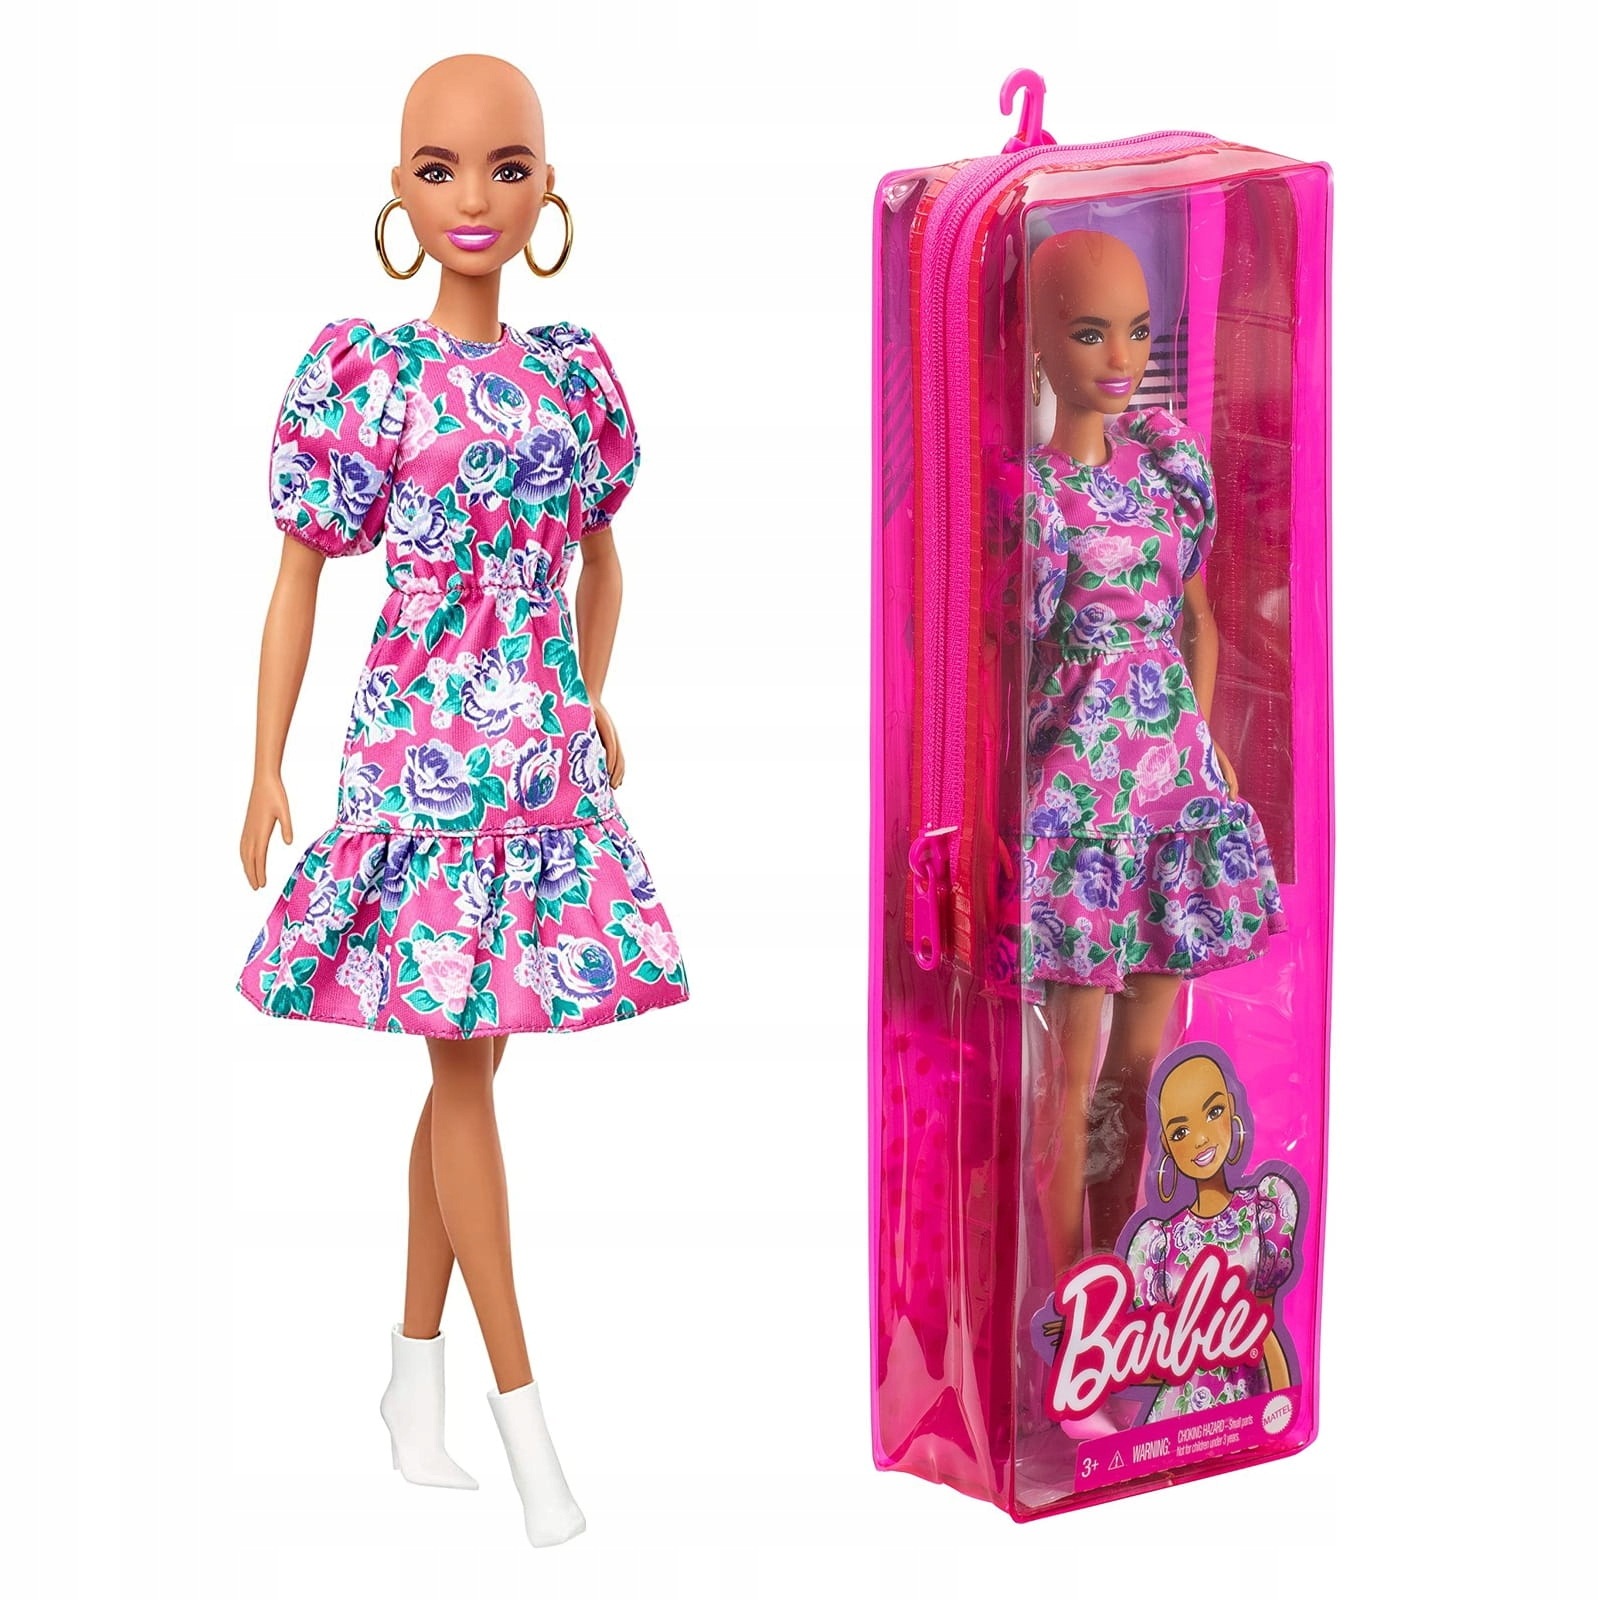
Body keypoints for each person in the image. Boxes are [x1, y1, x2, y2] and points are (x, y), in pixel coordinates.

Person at [235, 53, 688, 1548]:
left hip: (539, 762)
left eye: (506, 166)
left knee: (467, 1069)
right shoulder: (373, 378)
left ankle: (409, 1380)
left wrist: (589, 691)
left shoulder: (571, 378)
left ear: (549, 187)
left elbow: (601, 564)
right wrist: (265, 763)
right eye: (439, 169)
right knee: (466, 1077)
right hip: (418, 760)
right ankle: (525, 1420)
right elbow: (300, 580)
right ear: (397, 190)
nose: (475, 197)